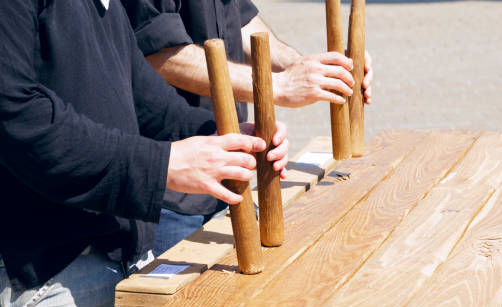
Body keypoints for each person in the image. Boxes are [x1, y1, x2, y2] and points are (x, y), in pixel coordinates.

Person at [0, 0, 288, 307]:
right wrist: (163, 165)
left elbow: (145, 102)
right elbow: (16, 115)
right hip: (41, 275)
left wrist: (228, 138)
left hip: (124, 258)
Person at [121, 0, 374, 256]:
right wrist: (277, 85)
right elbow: (156, 55)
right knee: (190, 295)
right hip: (172, 189)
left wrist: (309, 70)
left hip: (230, 167)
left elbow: (240, 22)